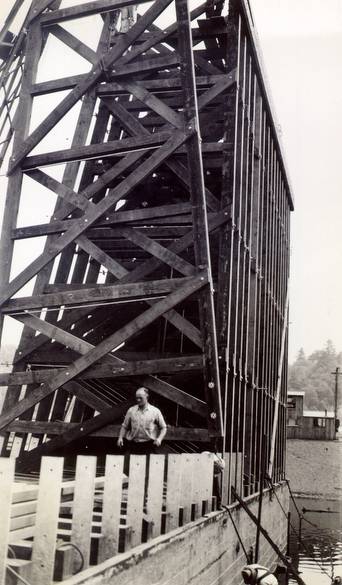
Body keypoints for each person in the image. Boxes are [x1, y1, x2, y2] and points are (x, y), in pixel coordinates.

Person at [117, 387, 167, 454]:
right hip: (133, 445)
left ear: (147, 397)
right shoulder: (131, 410)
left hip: (149, 445)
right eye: (137, 398)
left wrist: (159, 439)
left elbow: (163, 427)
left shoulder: (155, 411)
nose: (138, 400)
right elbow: (124, 426)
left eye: (141, 398)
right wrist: (120, 438)